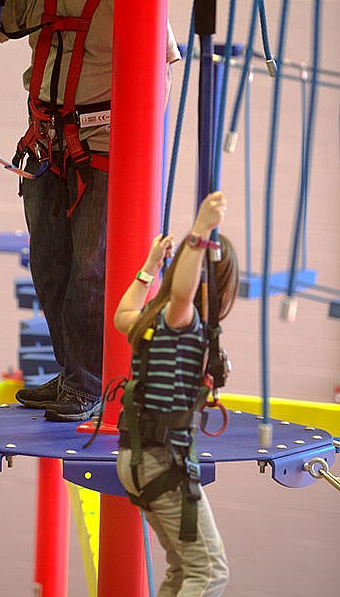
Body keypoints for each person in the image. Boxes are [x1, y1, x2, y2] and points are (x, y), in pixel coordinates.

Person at [0, 0, 180, 422]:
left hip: (105, 151)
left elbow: (162, 69)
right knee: (50, 264)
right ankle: (71, 373)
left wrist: (139, 148)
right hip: (44, 145)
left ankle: (87, 383)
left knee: (91, 270)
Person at [114, 191, 238, 597]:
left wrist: (149, 268)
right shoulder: (179, 316)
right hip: (161, 462)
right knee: (209, 572)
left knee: (184, 571)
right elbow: (184, 293)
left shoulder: (151, 320)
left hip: (136, 458)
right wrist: (200, 230)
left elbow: (120, 314)